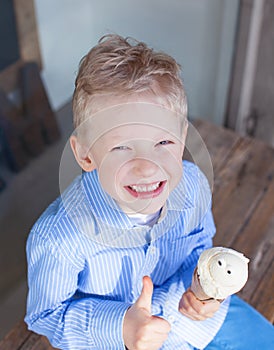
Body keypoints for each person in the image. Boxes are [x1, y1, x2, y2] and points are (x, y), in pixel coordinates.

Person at [25, 34, 274, 350]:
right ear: (86, 154)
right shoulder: (58, 239)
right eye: (121, 147)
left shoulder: (193, 186)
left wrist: (203, 290)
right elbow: (47, 316)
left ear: (182, 138)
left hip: (188, 313)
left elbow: (198, 244)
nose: (147, 167)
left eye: (163, 143)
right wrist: (120, 326)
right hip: (118, 339)